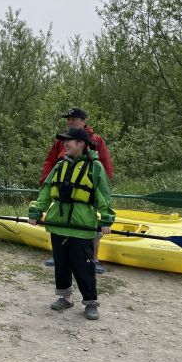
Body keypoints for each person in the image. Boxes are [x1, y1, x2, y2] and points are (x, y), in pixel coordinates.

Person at [29, 126, 114, 320]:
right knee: (61, 264)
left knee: (84, 266)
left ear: (81, 144)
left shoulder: (95, 167)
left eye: (69, 141)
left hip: (81, 226)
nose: (64, 144)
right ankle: (65, 297)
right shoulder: (60, 166)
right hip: (59, 222)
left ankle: (91, 303)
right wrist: (36, 211)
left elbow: (104, 196)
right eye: (64, 140)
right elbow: (46, 190)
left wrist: (106, 219)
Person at [41, 107, 114, 274]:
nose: (70, 121)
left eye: (74, 118)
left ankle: (94, 259)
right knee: (60, 217)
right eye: (68, 119)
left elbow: (105, 164)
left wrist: (103, 187)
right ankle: (58, 255)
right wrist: (46, 180)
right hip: (63, 186)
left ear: (84, 121)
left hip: (88, 188)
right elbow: (50, 161)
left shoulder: (95, 140)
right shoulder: (62, 141)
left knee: (92, 223)